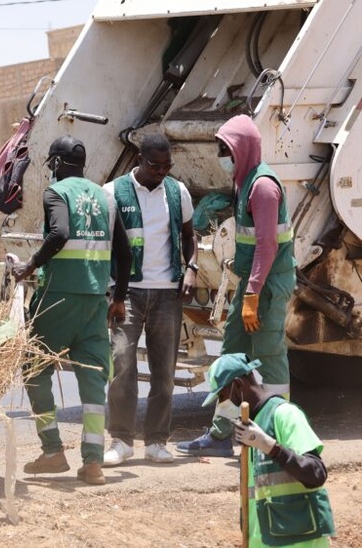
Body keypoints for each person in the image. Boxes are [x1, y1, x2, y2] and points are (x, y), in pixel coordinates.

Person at [12, 135, 132, 485]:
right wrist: (120, 297)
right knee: (94, 381)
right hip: (96, 301)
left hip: (57, 299)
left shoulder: (57, 193)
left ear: (57, 165)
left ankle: (52, 451)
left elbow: (60, 233)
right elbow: (125, 254)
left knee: (35, 369)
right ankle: (93, 462)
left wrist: (30, 265)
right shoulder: (106, 198)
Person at [177, 114, 297, 458]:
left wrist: (252, 294)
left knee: (269, 357)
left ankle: (278, 436)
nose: (221, 154)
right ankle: (220, 435)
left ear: (243, 148)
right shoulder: (244, 182)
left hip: (268, 283)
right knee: (232, 355)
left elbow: (267, 246)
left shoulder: (263, 187)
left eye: (225, 148)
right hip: (254, 281)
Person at [102, 134, 197, 467]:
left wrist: (191, 268)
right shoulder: (113, 193)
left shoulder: (178, 192)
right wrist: (111, 291)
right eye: (155, 165)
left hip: (167, 293)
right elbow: (103, 245)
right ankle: (121, 441)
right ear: (138, 159)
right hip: (126, 293)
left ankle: (157, 441)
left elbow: (188, 237)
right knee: (122, 368)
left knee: (164, 372)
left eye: (167, 165)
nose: (161, 171)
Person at [202, 353, 335, 546]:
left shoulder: (284, 414)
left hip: (300, 541)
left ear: (238, 385)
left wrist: (270, 446)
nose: (221, 404)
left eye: (222, 396)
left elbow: (316, 473)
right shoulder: (250, 428)